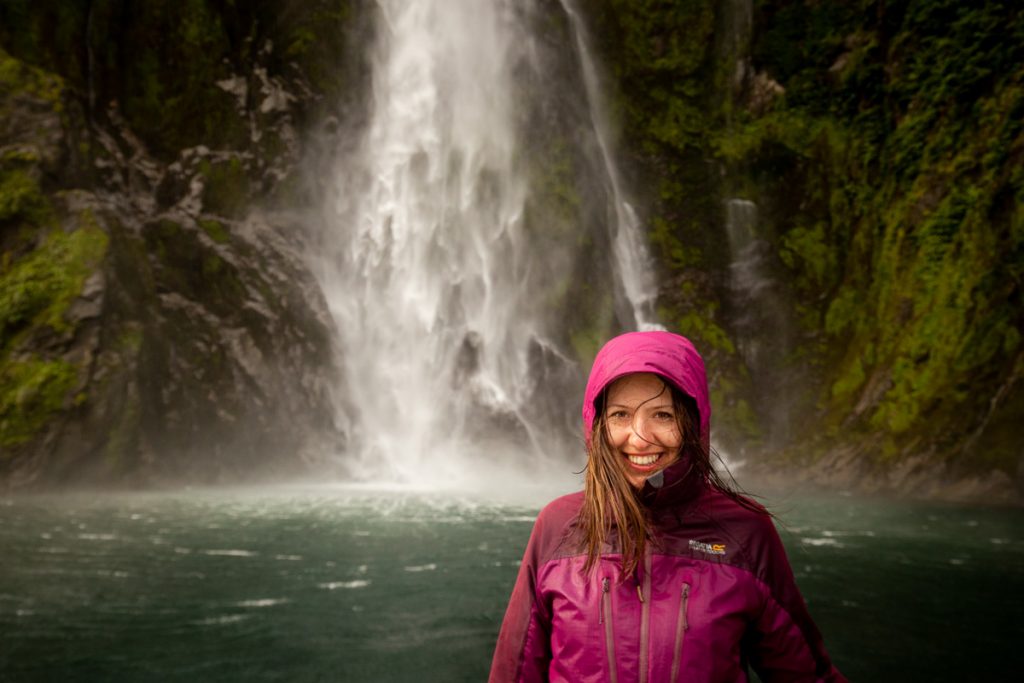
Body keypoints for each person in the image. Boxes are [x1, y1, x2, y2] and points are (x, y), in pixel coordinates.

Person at [489, 331, 846, 682]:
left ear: (692, 421)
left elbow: (806, 674)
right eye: (620, 415)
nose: (640, 437)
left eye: (662, 415)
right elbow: (515, 671)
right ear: (597, 424)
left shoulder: (745, 531)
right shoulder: (558, 526)